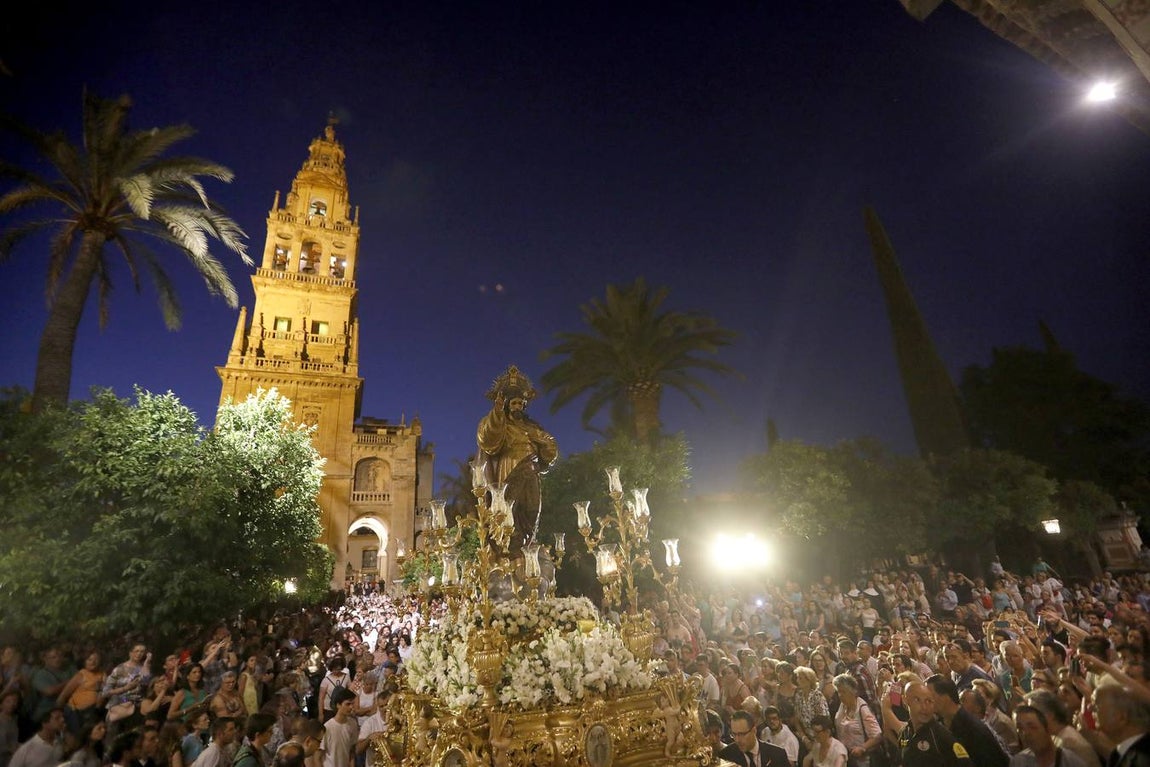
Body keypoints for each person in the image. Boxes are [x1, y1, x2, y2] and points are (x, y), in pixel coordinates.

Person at [475, 365, 558, 554]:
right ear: (506, 405)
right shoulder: (500, 423)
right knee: (511, 507)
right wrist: (496, 413)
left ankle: (528, 543)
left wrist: (541, 441)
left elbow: (550, 451)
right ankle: (509, 549)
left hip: (532, 469)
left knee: (532, 508)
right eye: (513, 404)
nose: (517, 407)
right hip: (509, 469)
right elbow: (487, 439)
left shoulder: (532, 426)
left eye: (520, 404)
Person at [895, 682, 971, 766]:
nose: (924, 707)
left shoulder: (942, 737)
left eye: (928, 701)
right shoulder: (904, 733)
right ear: (905, 701)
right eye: (917, 700)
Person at [1008, 704, 1087, 767]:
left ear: (1047, 729)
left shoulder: (1070, 762)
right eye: (1020, 728)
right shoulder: (1018, 762)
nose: (1025, 733)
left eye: (1032, 727)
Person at [1091, 685, 1150, 767]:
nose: (1089, 708)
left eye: (1096, 705)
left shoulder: (1143, 760)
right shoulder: (1118, 754)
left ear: (1122, 718)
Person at [718, 709, 791, 766]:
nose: (737, 740)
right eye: (734, 734)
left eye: (742, 734)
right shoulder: (726, 756)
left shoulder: (777, 754)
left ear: (754, 731)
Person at [319, 688, 358, 767]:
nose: (351, 707)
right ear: (338, 705)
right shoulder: (328, 727)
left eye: (352, 704)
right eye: (347, 704)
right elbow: (319, 755)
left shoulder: (353, 723)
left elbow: (352, 751)